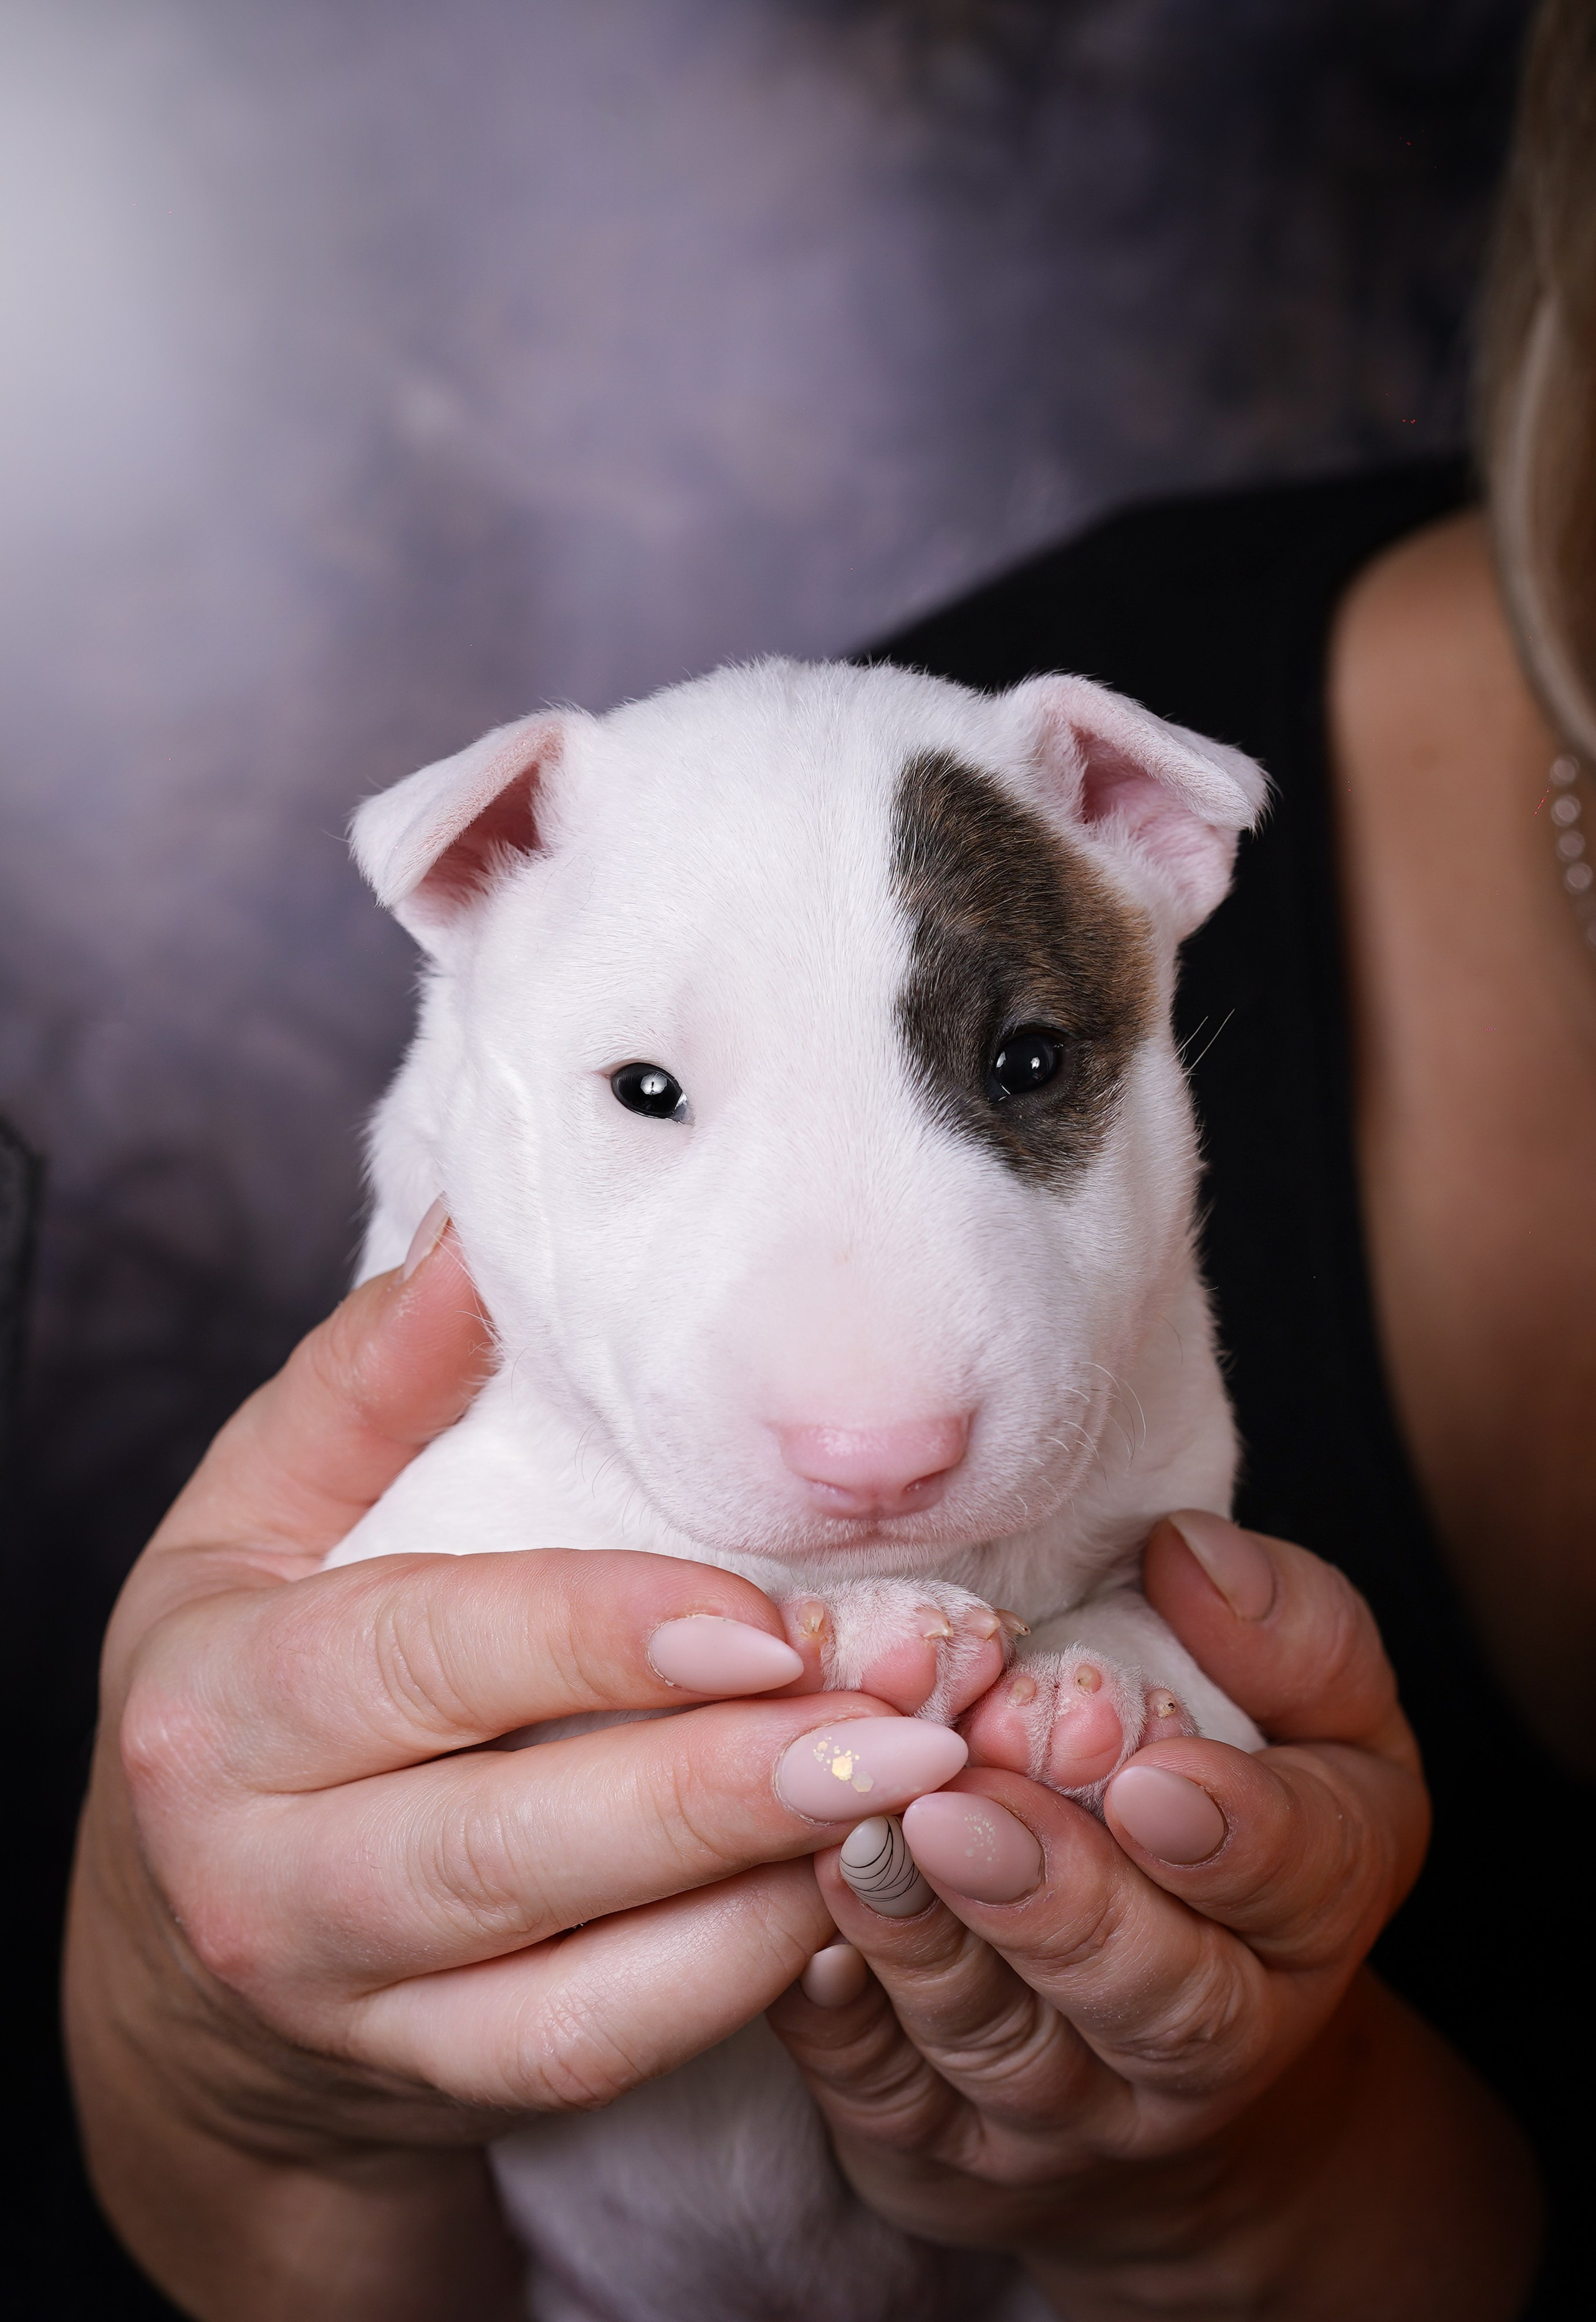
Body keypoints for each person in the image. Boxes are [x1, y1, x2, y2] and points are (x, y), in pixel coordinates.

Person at [64, 3, 1589, 2314]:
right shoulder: (787, 814)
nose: (876, 1421)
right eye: (655, 1101)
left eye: (1021, 1065)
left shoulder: (1062, 819)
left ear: (1163, 855)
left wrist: (1269, 2182)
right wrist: (213, 2059)